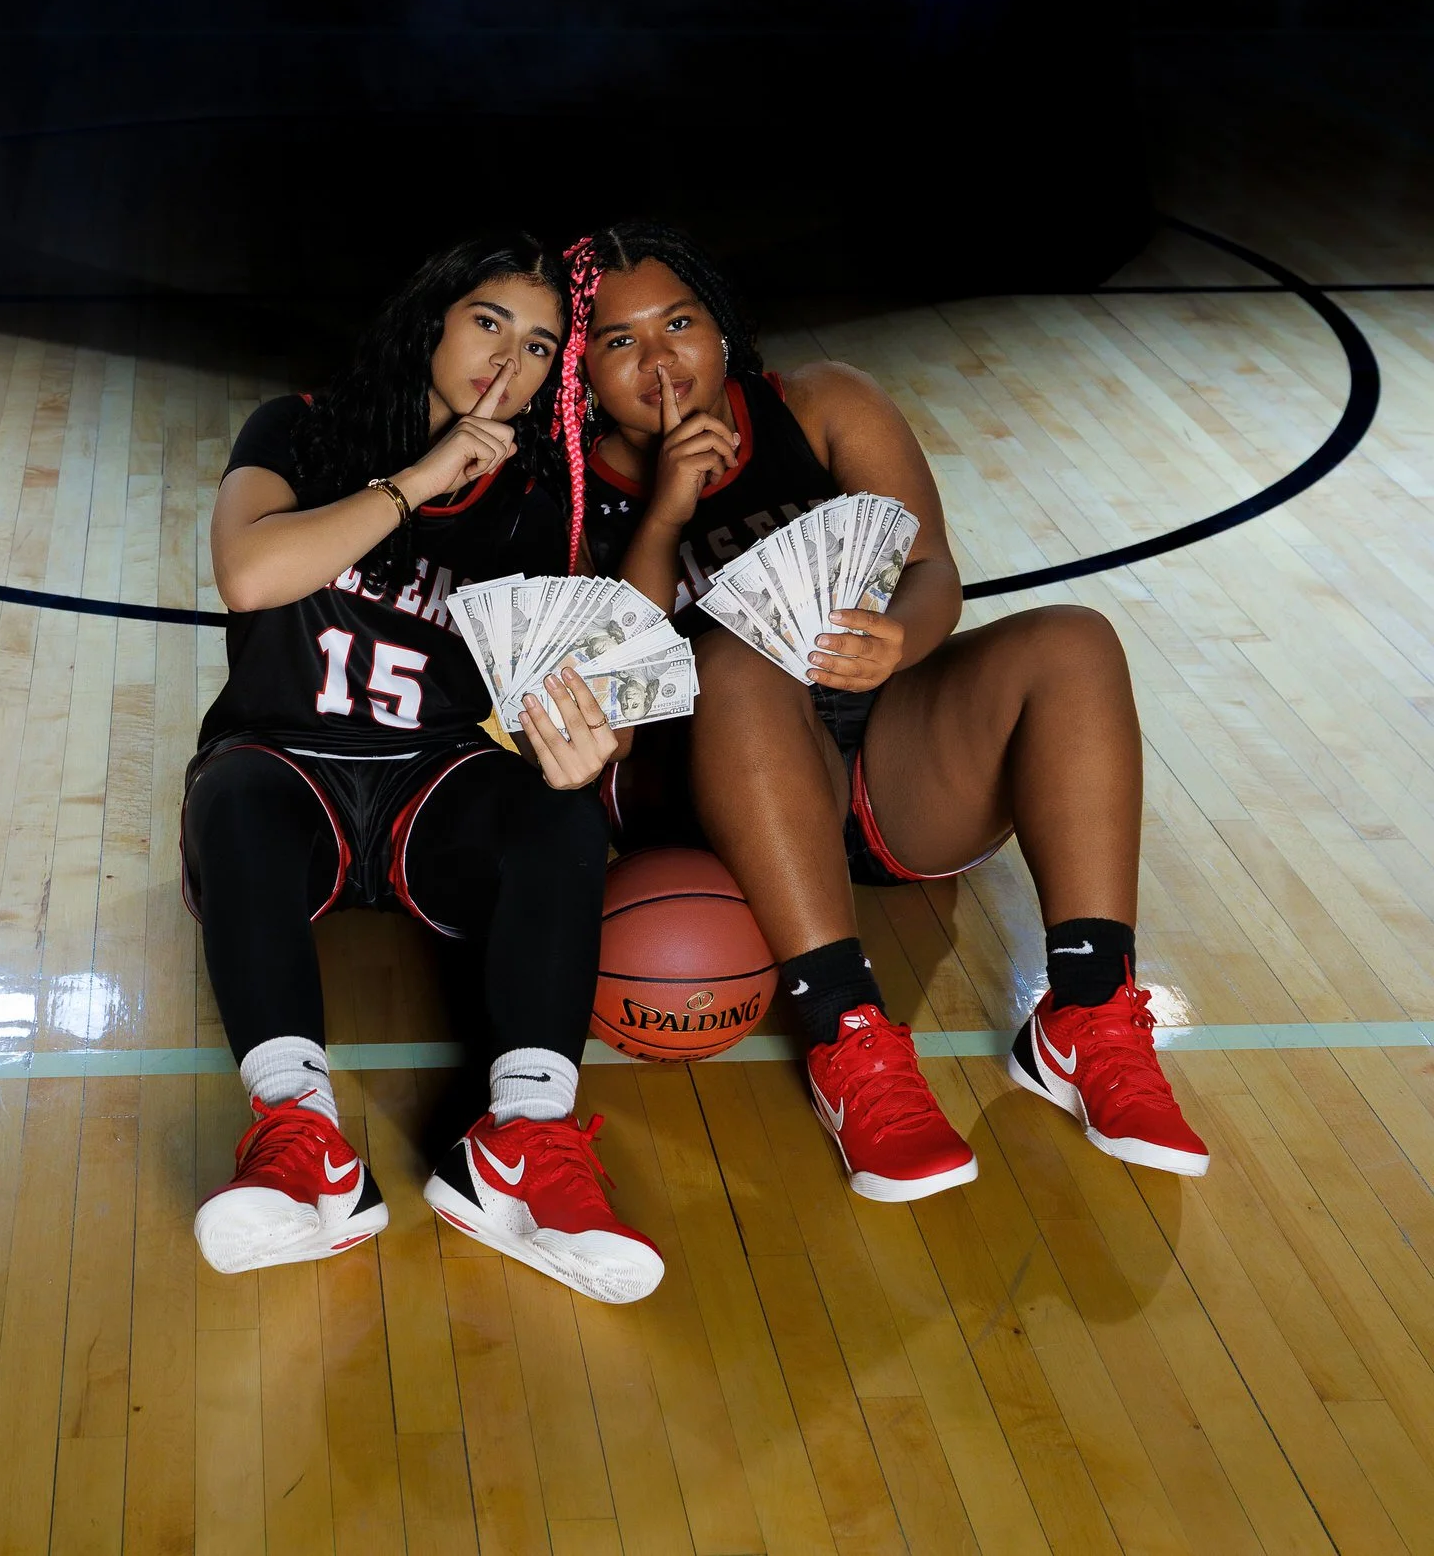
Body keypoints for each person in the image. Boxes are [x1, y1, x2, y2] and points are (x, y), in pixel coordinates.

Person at [555, 221, 1209, 1202]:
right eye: (617, 341)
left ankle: (1083, 1012)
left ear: (719, 325)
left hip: (882, 760)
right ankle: (845, 1034)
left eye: (678, 322)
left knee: (1070, 638)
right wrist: (663, 514)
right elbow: (616, 681)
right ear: (577, 371)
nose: (658, 359)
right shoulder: (561, 485)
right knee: (736, 656)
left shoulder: (820, 406)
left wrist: (899, 635)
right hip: (709, 792)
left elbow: (931, 570)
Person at [186, 233, 664, 1303]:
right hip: (285, 765)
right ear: (432, 323)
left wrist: (595, 741)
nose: (510, 359)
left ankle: (522, 1148)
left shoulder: (542, 506)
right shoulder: (297, 431)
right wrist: (418, 479)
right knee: (233, 794)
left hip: (432, 787)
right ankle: (299, 1138)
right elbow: (250, 572)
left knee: (562, 805)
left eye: (542, 346)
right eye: (488, 322)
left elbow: (591, 682)